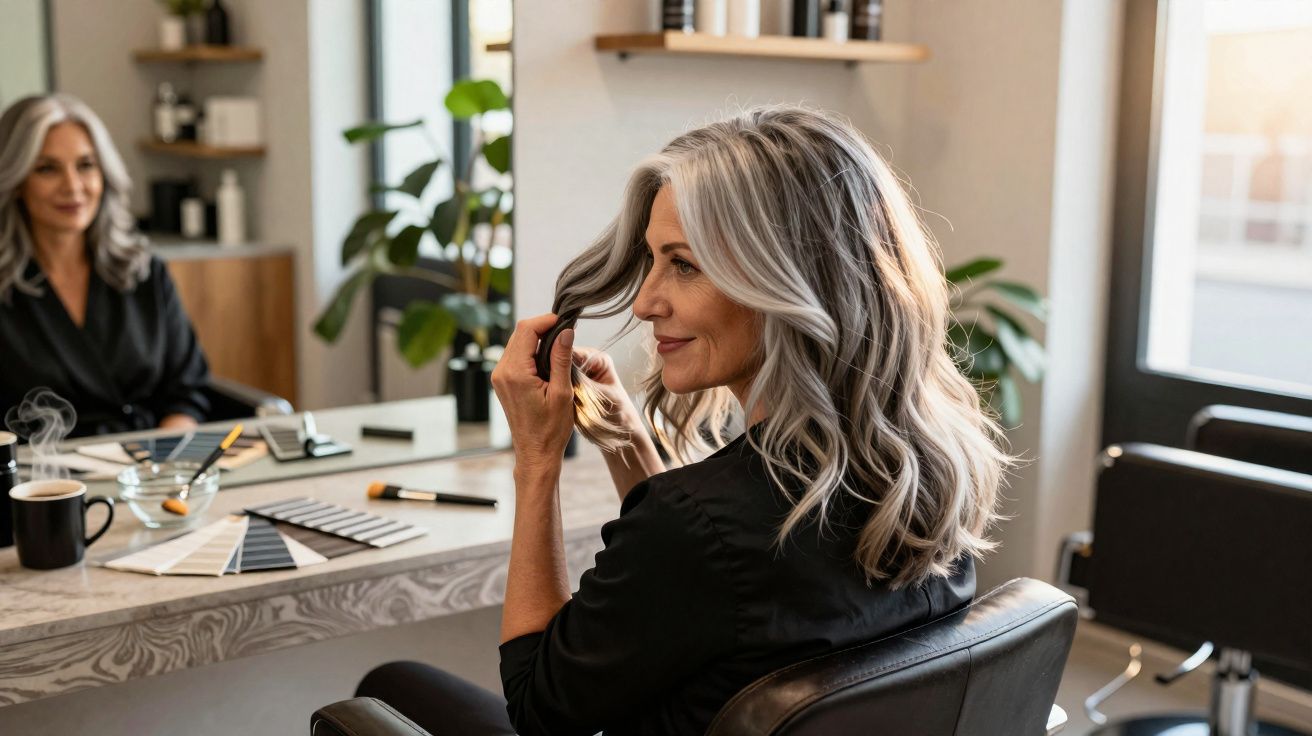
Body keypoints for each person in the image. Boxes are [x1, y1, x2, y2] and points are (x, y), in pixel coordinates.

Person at [355, 105, 1013, 735]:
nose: (644, 302)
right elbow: (708, 565)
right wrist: (626, 440)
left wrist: (537, 458)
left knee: (393, 684)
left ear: (786, 284)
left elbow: (540, 708)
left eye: (684, 265)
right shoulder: (929, 472)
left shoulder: (699, 530)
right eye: (653, 260)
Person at [0, 94, 209, 437]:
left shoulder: (145, 272)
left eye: (85, 165)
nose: (73, 186)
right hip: (40, 480)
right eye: (47, 168)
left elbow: (187, 392)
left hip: (149, 469)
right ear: (16, 181)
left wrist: (165, 460)